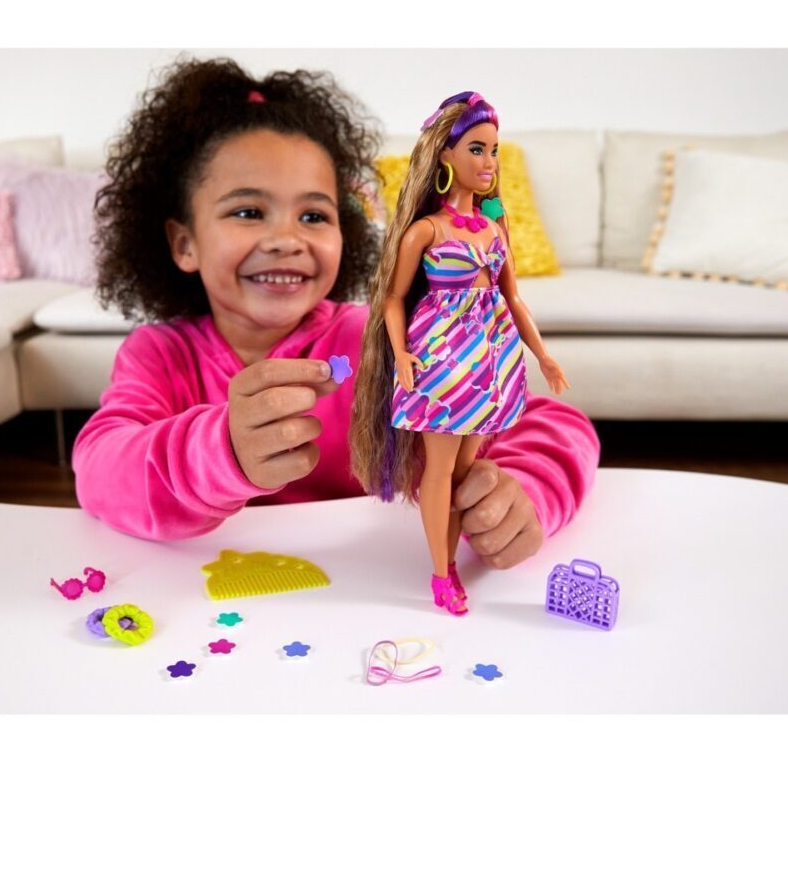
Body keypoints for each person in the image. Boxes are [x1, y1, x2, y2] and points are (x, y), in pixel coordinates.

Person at [72, 59, 599, 588]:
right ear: (184, 243)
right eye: (248, 212)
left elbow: (558, 425)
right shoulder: (158, 355)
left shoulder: (371, 340)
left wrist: (525, 490)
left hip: (366, 600)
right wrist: (221, 451)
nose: (287, 240)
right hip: (206, 600)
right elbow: (99, 471)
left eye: (313, 216)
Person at [351, 91, 573, 616]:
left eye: (493, 150)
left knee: (463, 470)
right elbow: (393, 298)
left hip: (491, 359)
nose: (489, 162)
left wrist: (542, 355)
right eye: (476, 149)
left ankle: (448, 561)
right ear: (446, 155)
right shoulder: (425, 231)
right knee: (439, 467)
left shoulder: (495, 229)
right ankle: (440, 573)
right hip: (443, 360)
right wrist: (401, 353)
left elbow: (513, 298)